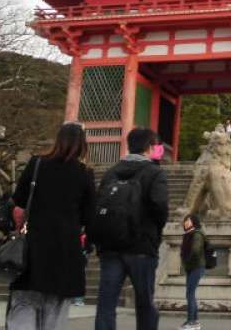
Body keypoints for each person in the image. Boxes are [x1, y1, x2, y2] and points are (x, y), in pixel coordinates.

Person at [7, 122, 96, 330]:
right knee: (55, 306)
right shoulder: (84, 173)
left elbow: (18, 199)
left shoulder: (37, 163)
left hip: (34, 245)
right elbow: (89, 216)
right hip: (65, 248)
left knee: (25, 302)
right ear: (82, 145)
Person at [94, 127, 169, 330]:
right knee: (144, 302)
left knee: (106, 304)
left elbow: (98, 204)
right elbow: (160, 208)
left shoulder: (111, 172)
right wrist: (154, 233)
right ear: (149, 147)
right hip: (142, 246)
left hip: (110, 245)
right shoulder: (155, 173)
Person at [180, 214, 206, 330]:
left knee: (190, 294)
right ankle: (194, 321)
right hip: (191, 268)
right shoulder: (188, 234)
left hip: (196, 267)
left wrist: (188, 261)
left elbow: (196, 250)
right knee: (190, 293)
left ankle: (191, 321)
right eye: (185, 221)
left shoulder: (197, 234)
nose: (186, 222)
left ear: (194, 222)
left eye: (188, 221)